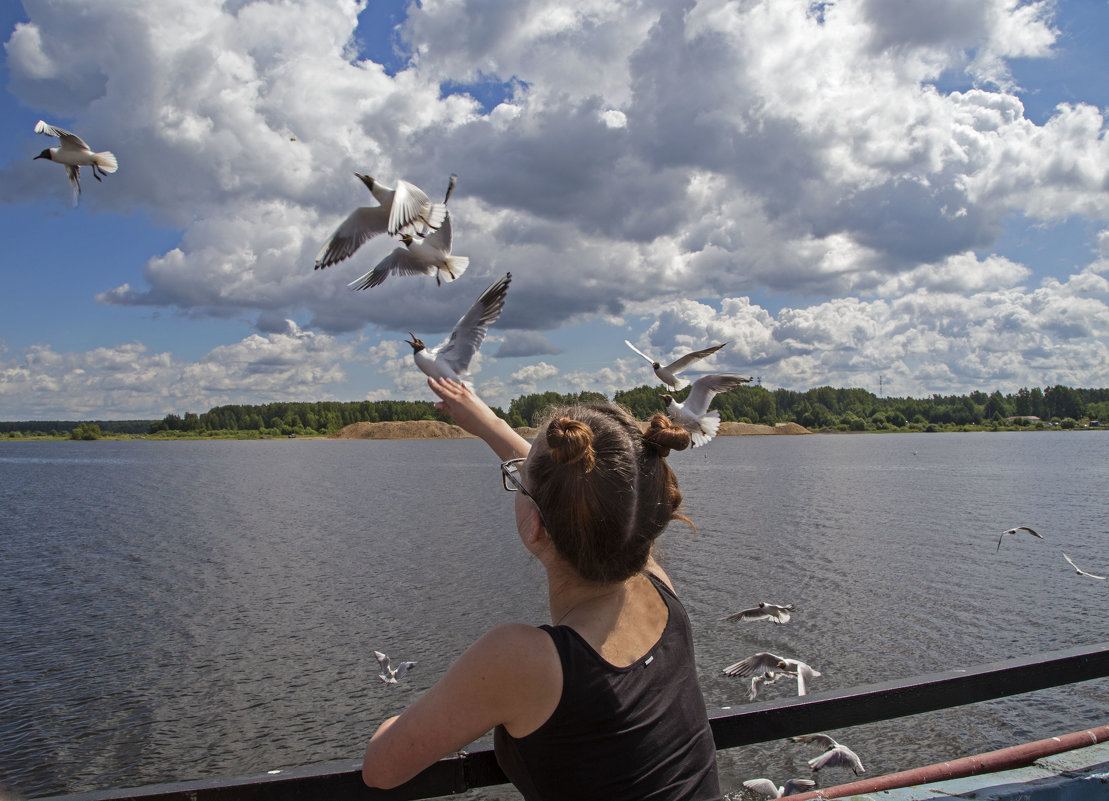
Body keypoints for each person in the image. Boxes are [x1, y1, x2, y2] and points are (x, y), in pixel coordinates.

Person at [362, 376, 722, 800]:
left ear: (535, 527)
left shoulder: (521, 659)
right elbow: (589, 493)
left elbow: (380, 768)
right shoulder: (658, 587)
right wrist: (485, 421)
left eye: (517, 480)